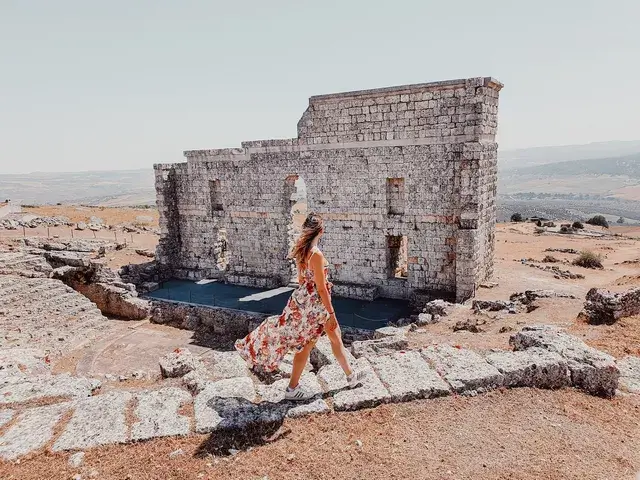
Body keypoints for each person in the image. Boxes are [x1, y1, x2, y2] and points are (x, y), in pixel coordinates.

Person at [235, 212, 362, 400]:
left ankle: (351, 376)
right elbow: (321, 288)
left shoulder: (302, 251)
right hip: (316, 307)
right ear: (320, 230)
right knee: (312, 344)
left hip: (301, 301)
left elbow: (301, 279)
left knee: (332, 339)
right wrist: (331, 312)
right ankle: (293, 388)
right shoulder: (316, 255)